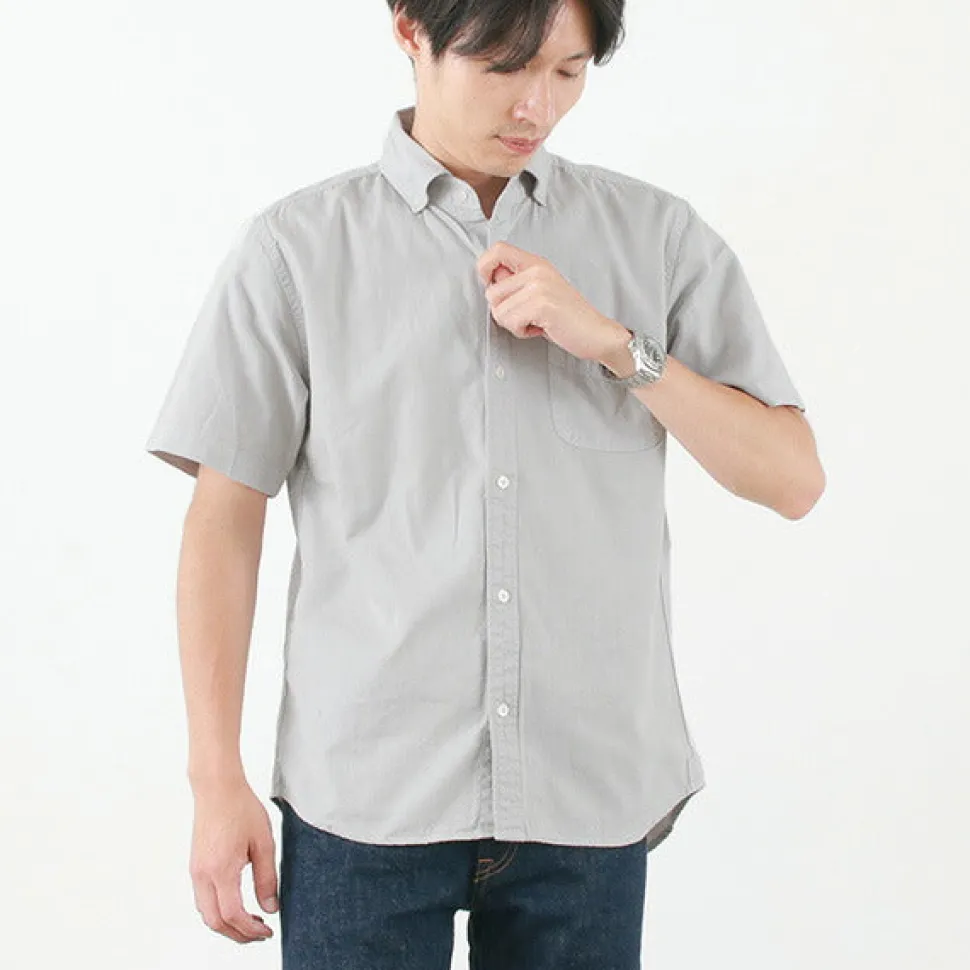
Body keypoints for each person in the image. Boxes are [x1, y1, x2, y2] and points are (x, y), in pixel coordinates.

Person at [144, 0, 825, 965]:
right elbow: (222, 519)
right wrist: (215, 779)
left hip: (587, 797)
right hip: (366, 797)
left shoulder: (657, 237)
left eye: (568, 72)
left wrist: (614, 345)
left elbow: (793, 479)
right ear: (410, 29)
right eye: (504, 66)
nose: (536, 106)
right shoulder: (296, 249)